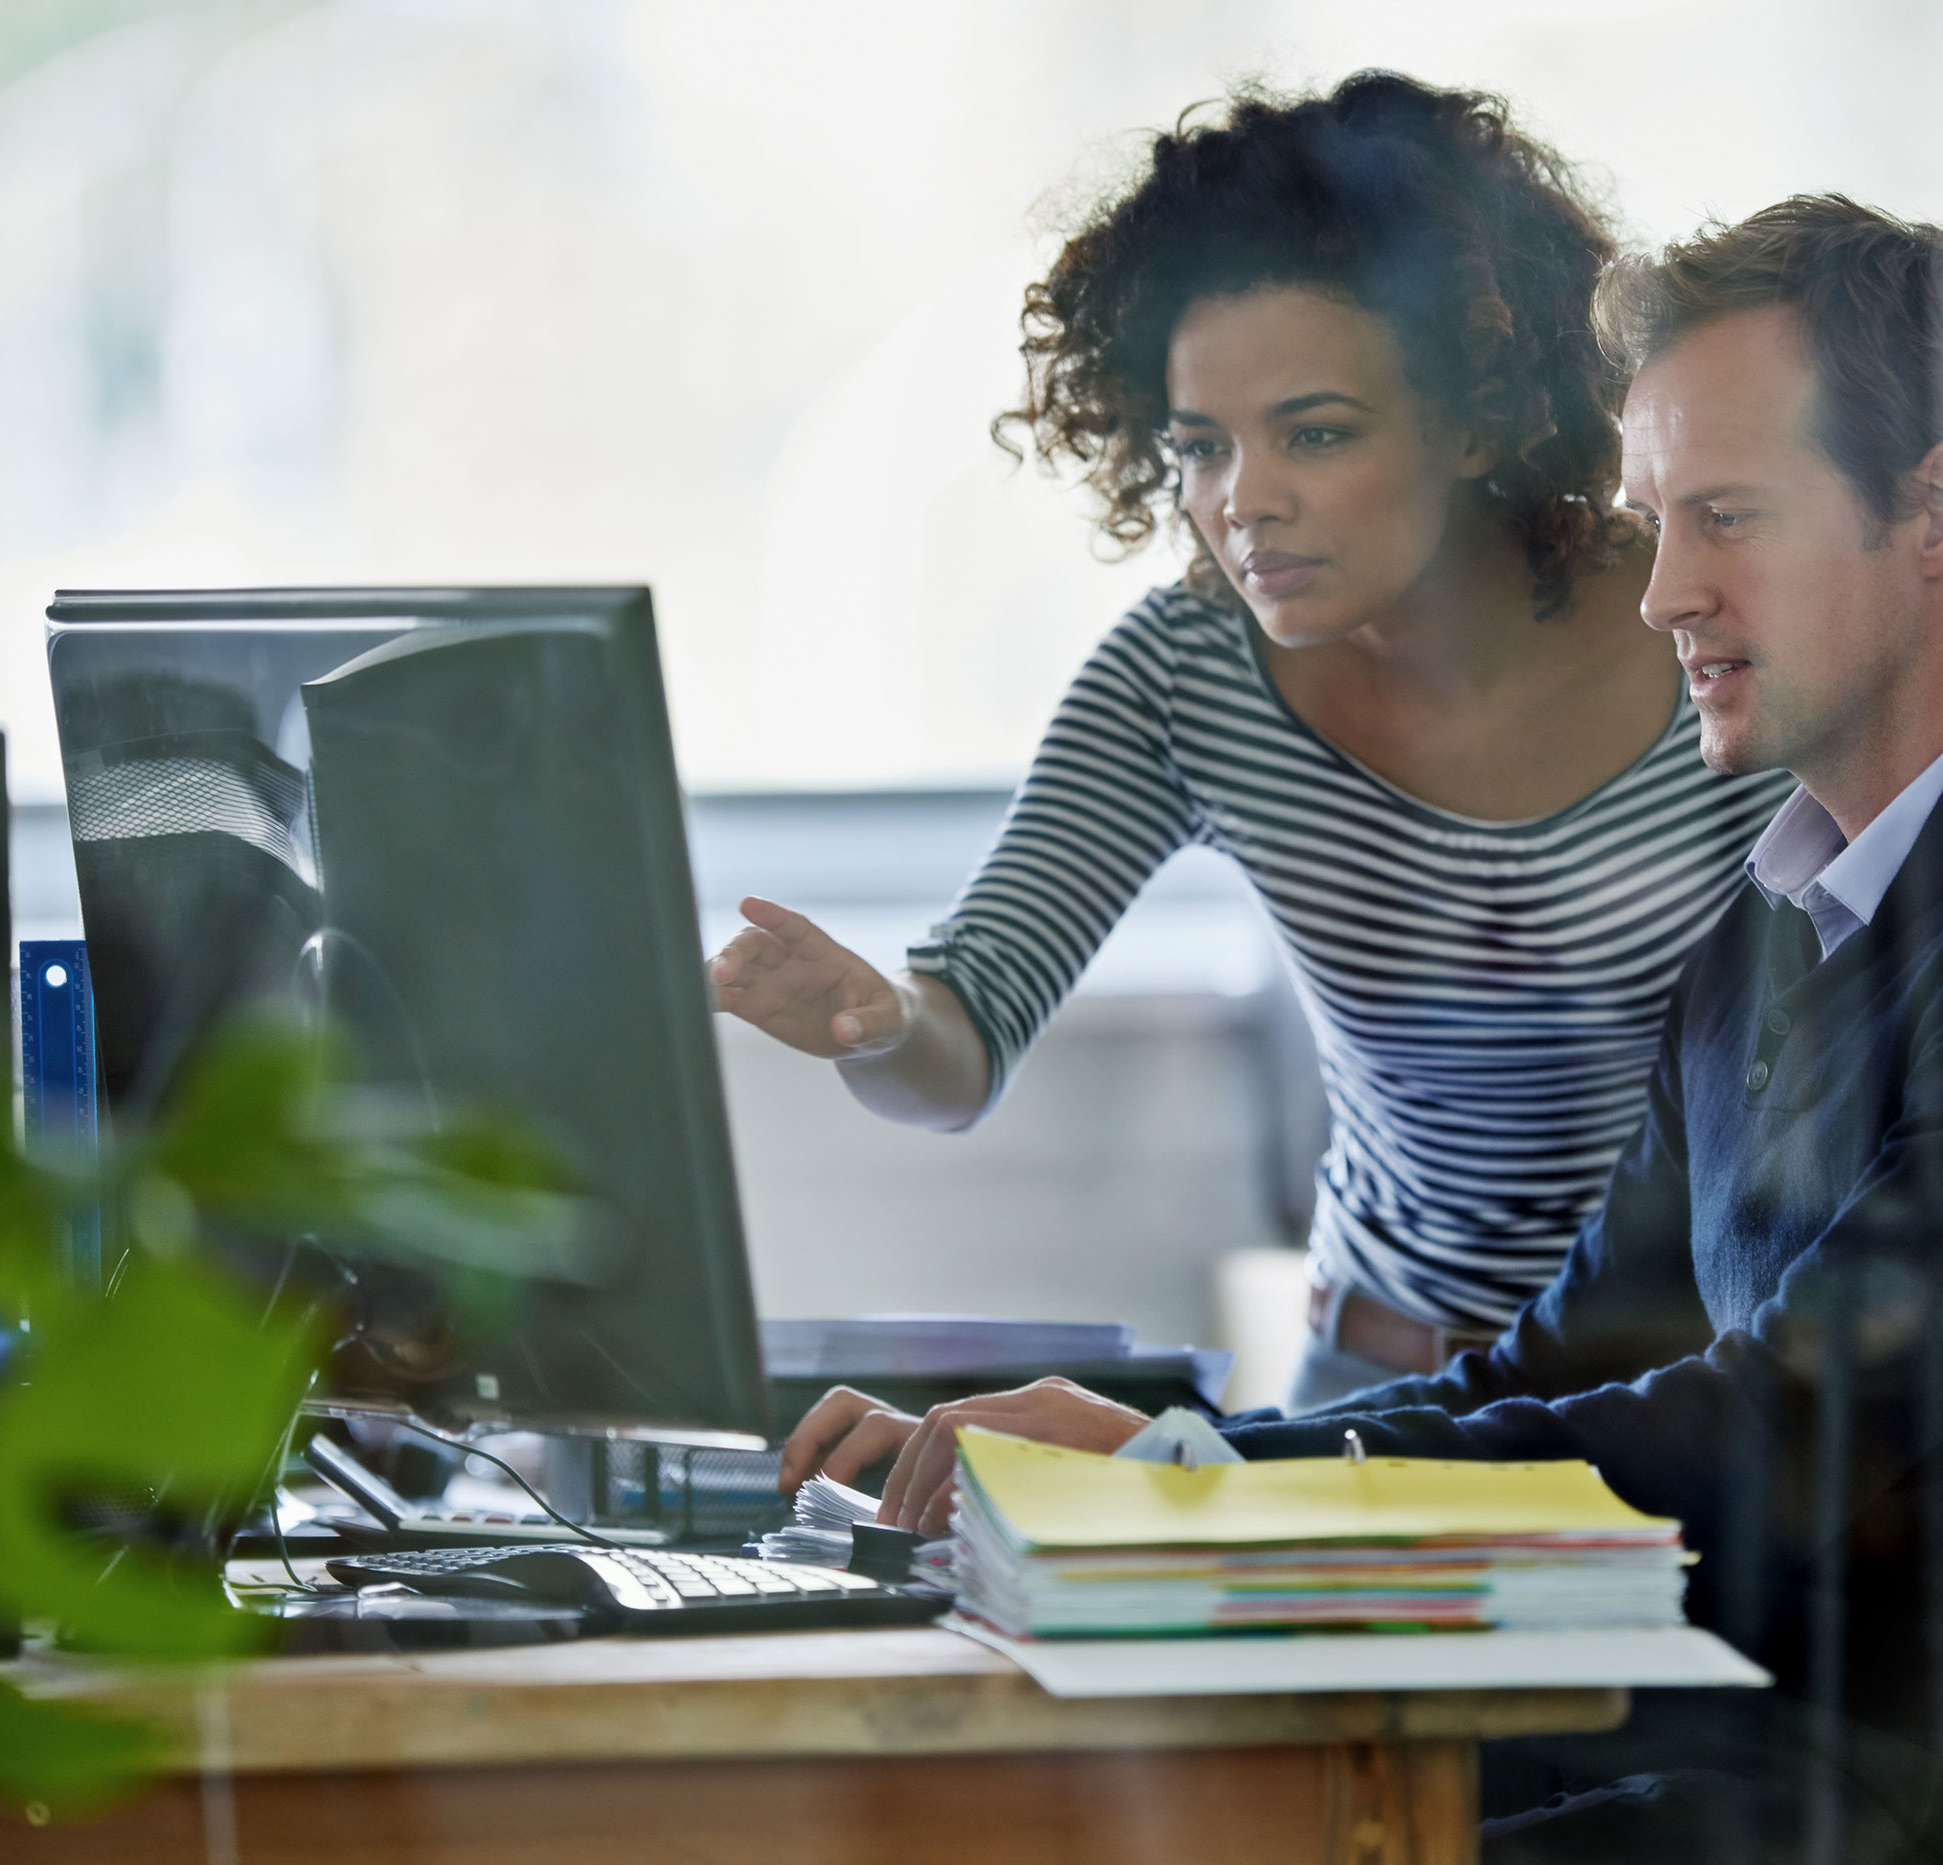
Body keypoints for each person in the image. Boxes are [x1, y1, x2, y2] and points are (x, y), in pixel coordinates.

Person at [782, 196, 1943, 1865]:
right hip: (1733, 1736)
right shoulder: (1775, 923)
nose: (1664, 596)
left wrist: (1208, 1484)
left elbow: (1776, 1432)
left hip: (1942, 1810)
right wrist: (1169, 1456)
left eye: (1725, 518)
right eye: (1654, 521)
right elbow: (1561, 1361)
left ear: (1938, 507)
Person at [712, 74, 1791, 1411]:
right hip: (1379, 1382)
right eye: (1201, 448)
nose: (1244, 505)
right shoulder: (1187, 673)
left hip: (1681, 1393)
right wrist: (871, 1026)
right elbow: (962, 1037)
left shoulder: (1704, 617)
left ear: (1476, 415)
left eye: (1315, 435)